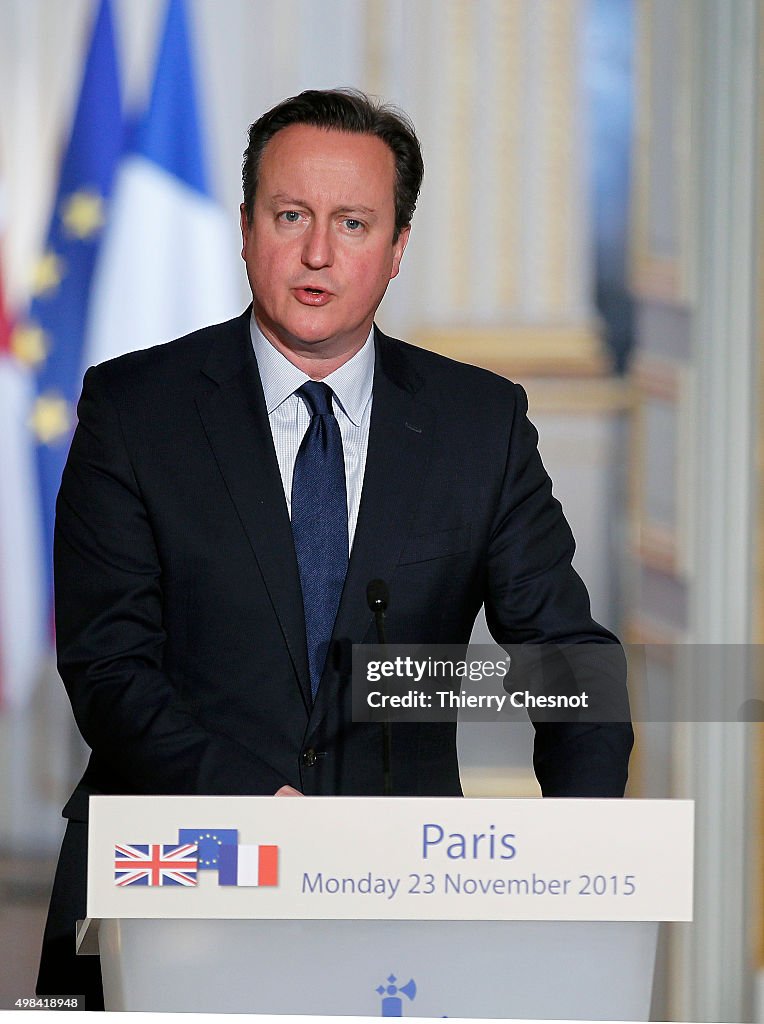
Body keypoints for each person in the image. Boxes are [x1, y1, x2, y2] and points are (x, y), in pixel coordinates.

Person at [37, 88, 632, 1008]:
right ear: (245, 228)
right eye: (291, 216)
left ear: (396, 250)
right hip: (168, 889)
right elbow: (110, 669)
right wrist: (267, 822)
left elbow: (568, 664)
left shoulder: (481, 425)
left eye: (353, 223)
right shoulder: (132, 410)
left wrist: (581, 864)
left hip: (404, 912)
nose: (318, 253)